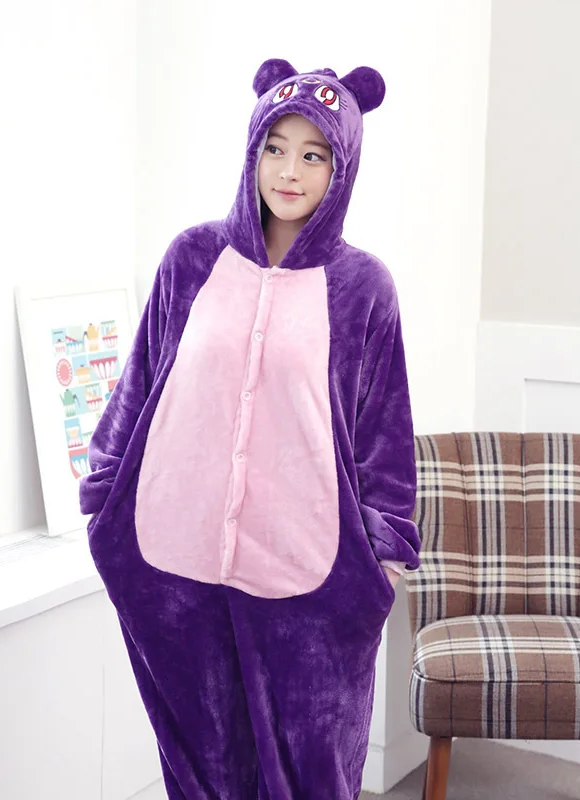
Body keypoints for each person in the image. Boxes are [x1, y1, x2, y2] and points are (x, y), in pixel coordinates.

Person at [79, 57, 421, 800]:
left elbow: (384, 434)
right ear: (252, 149)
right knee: (202, 773)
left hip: (310, 574)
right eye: (275, 147)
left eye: (314, 154)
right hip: (176, 559)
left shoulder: (364, 287)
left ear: (343, 166)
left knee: (311, 776)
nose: (288, 171)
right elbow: (139, 382)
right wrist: (103, 492)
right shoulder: (192, 258)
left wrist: (383, 563)